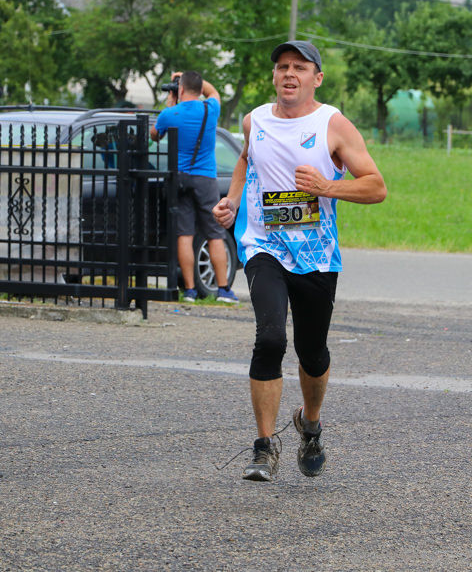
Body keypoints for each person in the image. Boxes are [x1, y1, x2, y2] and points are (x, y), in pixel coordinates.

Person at [213, 40, 387, 481]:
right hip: (262, 244)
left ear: (317, 78)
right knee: (270, 339)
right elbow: (247, 161)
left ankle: (310, 425)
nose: (289, 73)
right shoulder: (256, 120)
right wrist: (232, 201)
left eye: (300, 67)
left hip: (315, 254)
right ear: (274, 76)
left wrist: (326, 187)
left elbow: (375, 187)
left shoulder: (334, 124)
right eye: (282, 67)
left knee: (312, 353)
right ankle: (264, 446)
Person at [151, 71, 238, 303]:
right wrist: (188, 79)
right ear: (199, 90)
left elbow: (154, 136)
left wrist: (170, 103)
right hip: (205, 178)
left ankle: (188, 290)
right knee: (215, 233)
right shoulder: (210, 109)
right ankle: (223, 290)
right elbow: (213, 92)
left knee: (185, 234)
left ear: (179, 90)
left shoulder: (170, 114)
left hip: (179, 178)